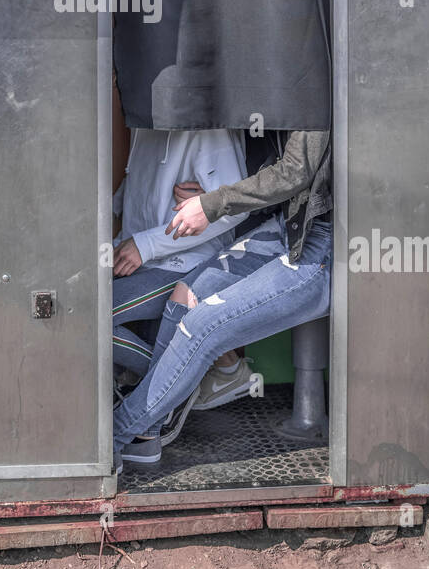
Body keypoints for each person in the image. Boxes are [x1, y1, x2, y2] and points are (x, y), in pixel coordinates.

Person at [114, 129, 332, 467]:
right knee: (183, 299)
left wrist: (214, 202)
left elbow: (296, 171)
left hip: (324, 238)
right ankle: (147, 432)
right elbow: (277, 177)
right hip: (287, 221)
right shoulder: (265, 112)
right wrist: (220, 195)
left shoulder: (308, 91)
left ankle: (115, 434)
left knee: (200, 326)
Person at [112, 127, 248, 380]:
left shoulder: (207, 129)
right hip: (139, 259)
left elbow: (235, 209)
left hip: (186, 263)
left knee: (92, 315)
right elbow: (138, 190)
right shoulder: (141, 121)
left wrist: (146, 245)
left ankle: (184, 381)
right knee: (84, 305)